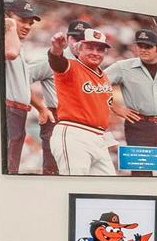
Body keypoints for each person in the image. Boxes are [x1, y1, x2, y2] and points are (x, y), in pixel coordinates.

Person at [46, 25, 118, 175]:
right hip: (74, 134)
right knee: (74, 186)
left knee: (108, 188)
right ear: (79, 49)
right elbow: (57, 62)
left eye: (100, 49)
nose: (95, 53)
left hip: (99, 138)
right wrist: (56, 50)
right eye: (90, 47)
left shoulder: (103, 76)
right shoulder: (71, 66)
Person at [103, 25, 157, 166]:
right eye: (140, 46)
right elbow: (96, 83)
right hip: (139, 125)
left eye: (148, 46)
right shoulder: (123, 67)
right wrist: (114, 106)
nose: (143, 50)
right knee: (140, 170)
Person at [0, 0, 44, 173]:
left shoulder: (16, 41)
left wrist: (41, 108)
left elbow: (23, 85)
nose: (27, 26)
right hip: (9, 110)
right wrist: (9, 25)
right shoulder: (5, 37)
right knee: (9, 169)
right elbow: (10, 53)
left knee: (13, 167)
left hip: (17, 111)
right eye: (22, 20)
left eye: (30, 23)